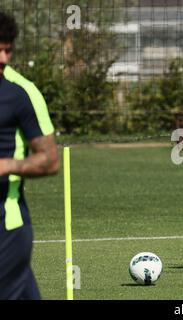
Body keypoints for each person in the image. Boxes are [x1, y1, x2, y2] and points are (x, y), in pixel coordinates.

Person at [0, 11, 59, 299]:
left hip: (6, 227)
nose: (3, 58)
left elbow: (50, 159)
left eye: (8, 50)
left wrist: (5, 165)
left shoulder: (22, 93)